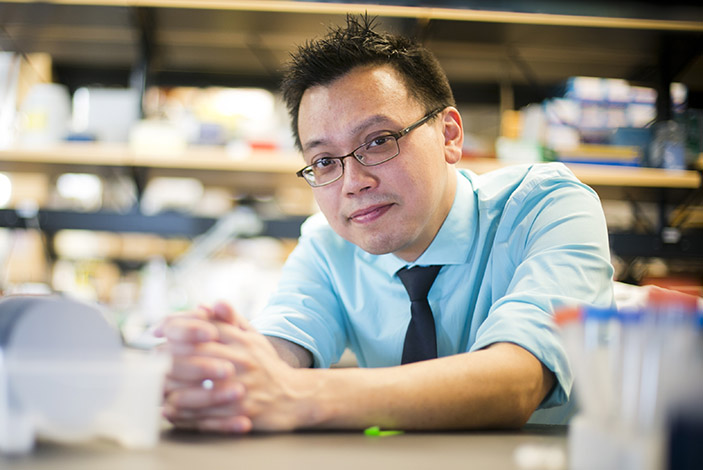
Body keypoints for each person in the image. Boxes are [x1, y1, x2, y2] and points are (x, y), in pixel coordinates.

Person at [158, 15, 614, 434]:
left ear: (449, 135)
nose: (353, 182)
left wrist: (299, 395)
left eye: (378, 141)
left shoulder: (547, 209)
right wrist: (225, 367)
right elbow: (286, 337)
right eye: (323, 161)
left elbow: (517, 381)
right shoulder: (327, 245)